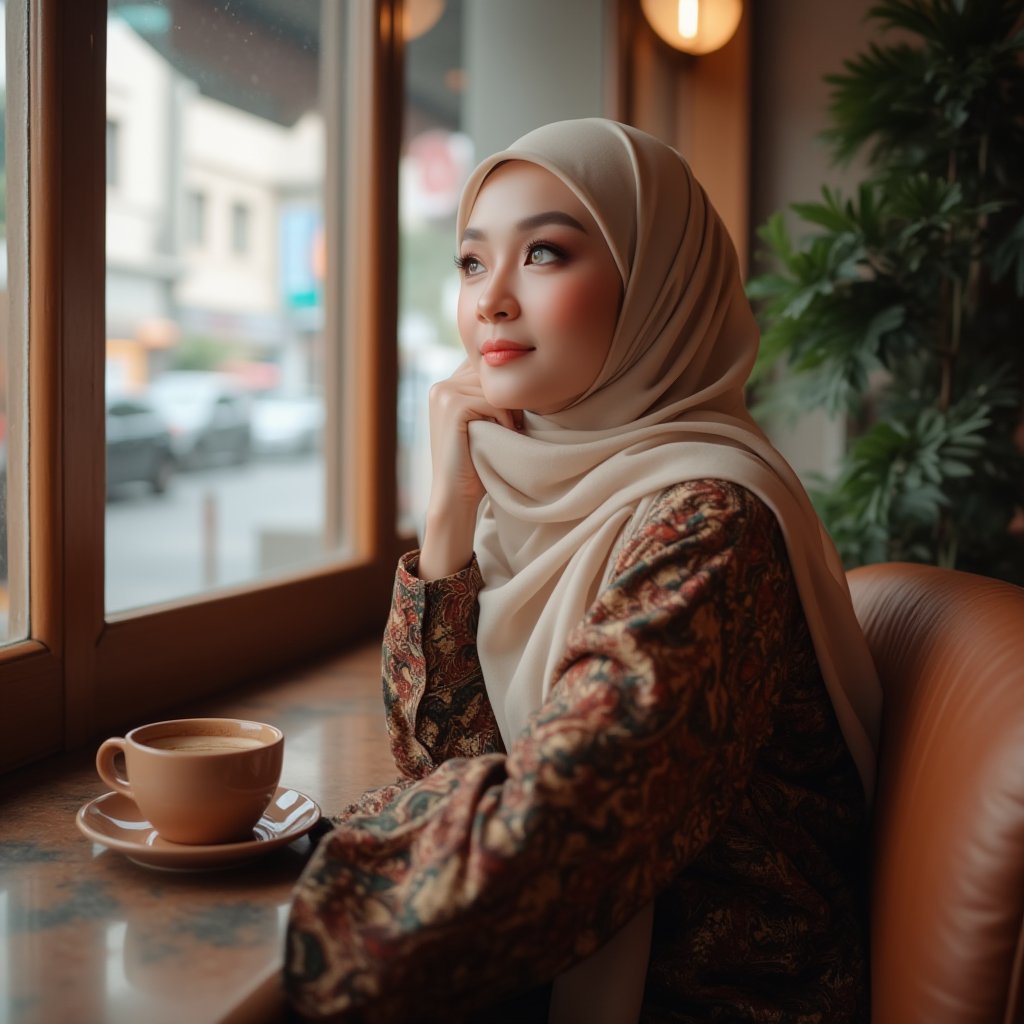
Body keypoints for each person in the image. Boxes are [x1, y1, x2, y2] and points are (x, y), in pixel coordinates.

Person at [284, 118, 881, 1024]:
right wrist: (445, 519)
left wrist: (312, 851)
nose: (491, 301)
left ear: (656, 289)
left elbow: (546, 849)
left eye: (547, 255)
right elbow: (445, 758)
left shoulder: (709, 522)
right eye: (473, 263)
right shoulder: (537, 504)